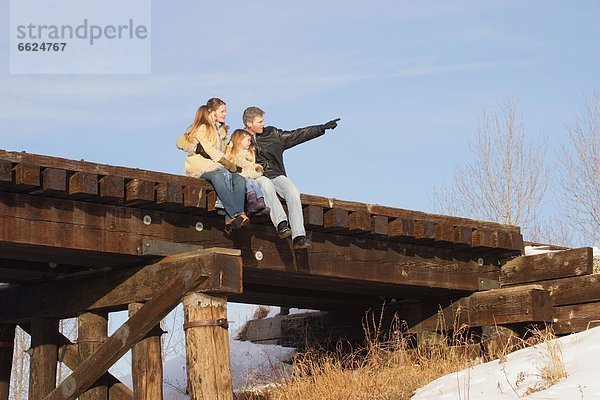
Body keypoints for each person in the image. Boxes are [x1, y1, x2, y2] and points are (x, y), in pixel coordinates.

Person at [242, 106, 340, 249]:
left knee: (293, 191)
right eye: (260, 122)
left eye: (263, 121)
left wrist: (320, 128)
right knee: (266, 185)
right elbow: (230, 155)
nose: (263, 124)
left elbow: (297, 135)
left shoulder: (273, 134)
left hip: (276, 174)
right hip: (258, 177)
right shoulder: (241, 138)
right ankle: (282, 224)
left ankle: (299, 236)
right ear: (249, 123)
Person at [176, 101, 249, 235]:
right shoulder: (203, 127)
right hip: (200, 164)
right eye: (222, 111)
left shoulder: (220, 131)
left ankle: (230, 220)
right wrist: (228, 165)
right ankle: (236, 213)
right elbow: (211, 151)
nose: (225, 114)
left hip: (216, 165)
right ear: (212, 112)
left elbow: (224, 152)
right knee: (221, 173)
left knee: (239, 179)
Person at [226, 129, 270, 216]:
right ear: (239, 140)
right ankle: (252, 202)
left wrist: (256, 169)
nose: (250, 143)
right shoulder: (232, 151)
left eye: (250, 140)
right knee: (249, 182)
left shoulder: (250, 154)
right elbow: (229, 160)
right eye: (248, 140)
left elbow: (251, 165)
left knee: (254, 182)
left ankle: (260, 201)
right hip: (238, 175)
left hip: (248, 174)